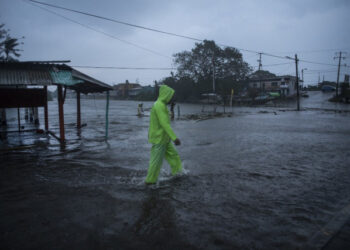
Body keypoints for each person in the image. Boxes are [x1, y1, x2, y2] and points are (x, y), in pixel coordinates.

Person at [145, 85, 182, 184]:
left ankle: (178, 173)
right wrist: (174, 138)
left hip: (164, 139)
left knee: (174, 155)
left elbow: (167, 118)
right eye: (171, 96)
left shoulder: (162, 105)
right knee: (156, 162)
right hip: (159, 139)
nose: (172, 98)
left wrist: (172, 107)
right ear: (166, 95)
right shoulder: (159, 105)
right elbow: (164, 123)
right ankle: (150, 182)